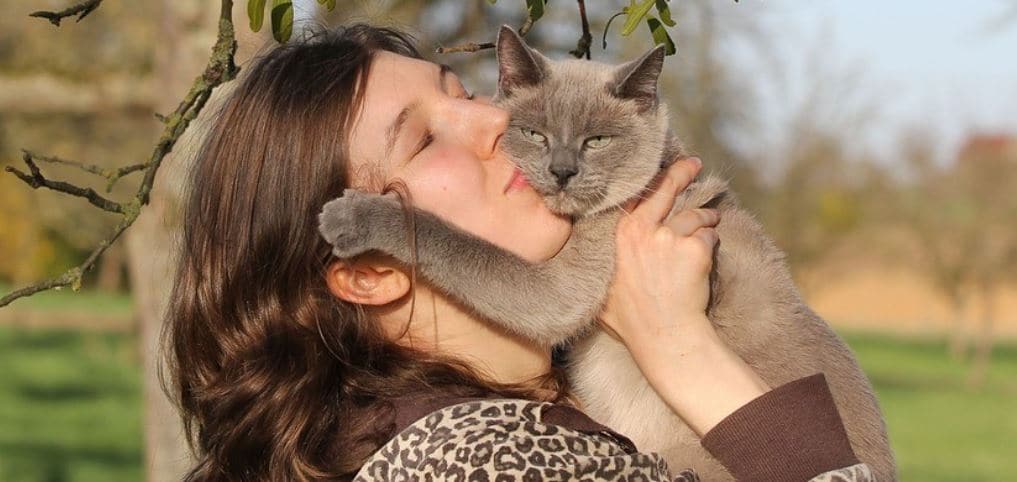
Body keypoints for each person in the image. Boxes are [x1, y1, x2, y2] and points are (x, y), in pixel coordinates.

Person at [163, 24, 872, 481]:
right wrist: (681, 348)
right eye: (424, 140)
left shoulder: (467, 423)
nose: (493, 124)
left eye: (467, 93)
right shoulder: (490, 461)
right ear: (369, 272)